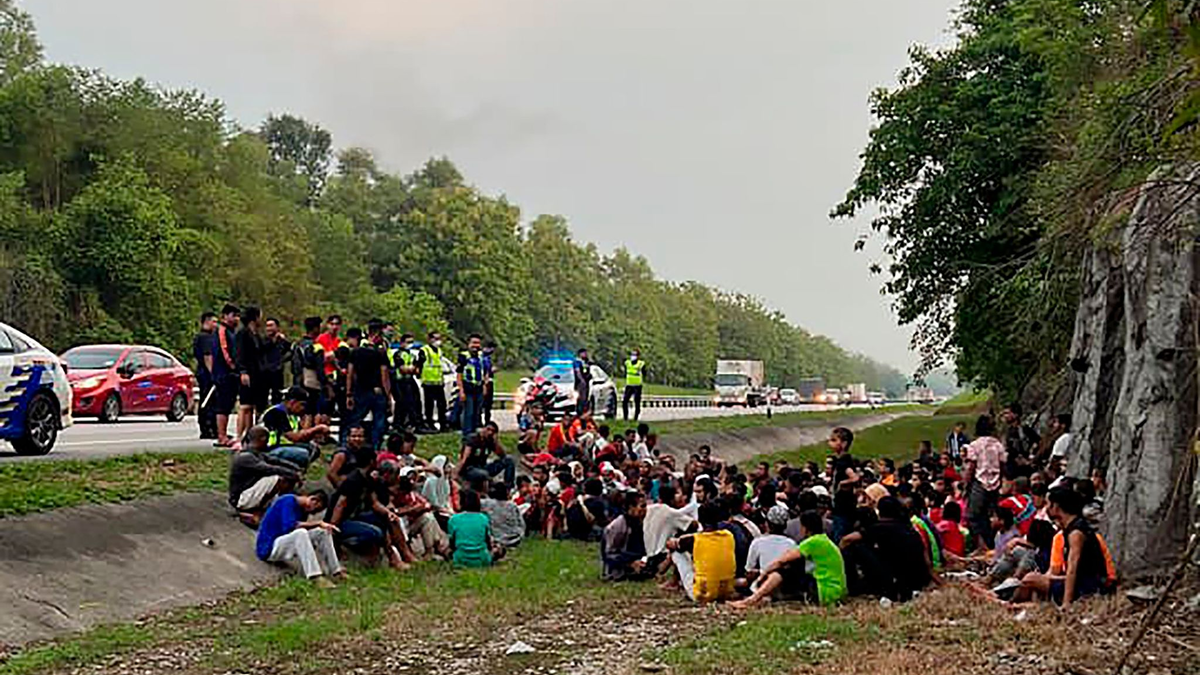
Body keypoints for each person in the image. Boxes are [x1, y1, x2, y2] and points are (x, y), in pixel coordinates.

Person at [1014, 488, 1110, 607]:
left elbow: (1072, 569)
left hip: (1089, 586)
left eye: (1048, 504)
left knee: (1031, 578)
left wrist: (1066, 603)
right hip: (1081, 580)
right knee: (1033, 579)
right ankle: (1013, 604)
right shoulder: (1068, 529)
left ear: (1056, 506)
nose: (1046, 507)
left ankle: (1011, 604)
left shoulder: (1076, 533)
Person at [732, 510, 847, 608]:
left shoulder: (812, 542)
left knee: (783, 570)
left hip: (824, 592)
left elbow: (781, 561)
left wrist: (763, 575)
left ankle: (752, 599)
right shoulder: (822, 540)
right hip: (836, 592)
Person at [839, 496, 931, 602]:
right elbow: (926, 560)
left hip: (895, 581)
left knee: (855, 547)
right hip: (917, 580)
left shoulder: (879, 528)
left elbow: (847, 540)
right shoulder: (909, 528)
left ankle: (852, 586)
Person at [256, 490, 343, 586]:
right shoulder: (288, 501)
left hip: (283, 542)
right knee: (301, 533)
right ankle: (315, 576)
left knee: (323, 532)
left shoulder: (302, 510)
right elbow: (290, 527)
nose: (313, 514)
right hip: (269, 547)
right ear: (313, 500)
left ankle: (336, 571)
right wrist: (318, 523)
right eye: (315, 510)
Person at [228, 425, 302, 525]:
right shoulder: (245, 457)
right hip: (241, 499)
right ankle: (256, 511)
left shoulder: (256, 453)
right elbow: (270, 468)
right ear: (263, 439)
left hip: (250, 492)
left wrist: (296, 469)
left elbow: (276, 461)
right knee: (280, 479)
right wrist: (294, 475)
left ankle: (266, 509)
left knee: (285, 476)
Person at [667, 501, 737, 603]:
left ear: (699, 520)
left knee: (677, 553)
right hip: (725, 592)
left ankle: (674, 582)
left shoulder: (694, 539)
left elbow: (671, 544)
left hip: (702, 594)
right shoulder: (728, 535)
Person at [963, 414, 1007, 550]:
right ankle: (991, 542)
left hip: (979, 482)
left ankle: (982, 545)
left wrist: (965, 484)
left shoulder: (974, 445)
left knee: (973, 516)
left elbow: (971, 467)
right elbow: (1003, 463)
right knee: (989, 515)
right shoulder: (997, 444)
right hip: (995, 482)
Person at [346, 321, 392, 449]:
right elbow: (385, 376)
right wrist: (388, 396)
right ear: (377, 335)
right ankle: (375, 446)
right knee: (379, 421)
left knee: (355, 420)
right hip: (376, 392)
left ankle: (349, 444)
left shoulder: (355, 352)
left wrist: (349, 393)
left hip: (360, 390)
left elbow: (350, 374)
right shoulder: (380, 353)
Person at [260, 387, 329, 468]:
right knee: (303, 454)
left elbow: (303, 434)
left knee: (313, 449)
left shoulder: (291, 415)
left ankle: (293, 471)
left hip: (282, 446)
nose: (303, 408)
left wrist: (306, 418)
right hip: (268, 449)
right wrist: (317, 429)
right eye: (302, 405)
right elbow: (295, 437)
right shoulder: (276, 413)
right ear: (292, 402)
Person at [601, 491, 652, 581]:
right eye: (642, 506)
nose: (645, 510)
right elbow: (609, 555)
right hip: (621, 563)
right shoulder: (618, 526)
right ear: (631, 507)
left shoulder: (642, 522)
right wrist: (630, 563)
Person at [743, 504, 800, 585]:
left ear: (767, 523)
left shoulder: (757, 542)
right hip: (784, 588)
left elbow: (749, 572)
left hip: (762, 587)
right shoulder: (792, 544)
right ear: (785, 526)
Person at [234, 306, 265, 442]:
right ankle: (239, 436)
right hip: (246, 372)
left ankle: (249, 434)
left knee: (252, 406)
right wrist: (242, 371)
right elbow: (239, 353)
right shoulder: (243, 333)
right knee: (245, 405)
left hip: (256, 373)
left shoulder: (256, 334)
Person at [447, 489, 501, 568]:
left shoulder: (453, 519)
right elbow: (488, 542)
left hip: (460, 559)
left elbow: (452, 544)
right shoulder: (483, 518)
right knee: (499, 549)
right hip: (482, 559)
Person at [212, 304, 241, 448]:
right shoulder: (222, 331)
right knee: (223, 405)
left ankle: (223, 434)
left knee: (228, 405)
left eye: (237, 316)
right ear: (224, 316)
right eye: (233, 315)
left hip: (230, 374)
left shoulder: (232, 332)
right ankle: (221, 436)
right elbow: (225, 352)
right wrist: (234, 367)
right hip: (224, 373)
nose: (236, 319)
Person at [291, 317, 329, 427]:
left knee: (302, 412)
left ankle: (301, 436)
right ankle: (311, 438)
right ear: (315, 329)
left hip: (299, 382)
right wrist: (326, 384)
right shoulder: (316, 347)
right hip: (313, 384)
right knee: (313, 412)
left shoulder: (296, 344)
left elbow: (293, 366)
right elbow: (320, 370)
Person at [457, 421, 516, 487]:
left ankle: (508, 486)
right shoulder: (473, 439)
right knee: (484, 474)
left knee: (509, 460)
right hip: (470, 469)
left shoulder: (490, 441)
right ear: (483, 428)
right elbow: (464, 458)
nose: (490, 433)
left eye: (492, 431)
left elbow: (502, 455)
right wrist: (457, 473)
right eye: (488, 429)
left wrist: (496, 442)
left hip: (483, 467)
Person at [388, 333, 424, 432]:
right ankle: (398, 425)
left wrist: (416, 366)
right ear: (402, 343)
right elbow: (403, 369)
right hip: (399, 381)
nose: (410, 344)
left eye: (412, 342)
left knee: (415, 401)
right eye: (408, 342)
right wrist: (413, 368)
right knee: (402, 403)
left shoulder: (411, 354)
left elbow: (416, 371)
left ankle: (415, 423)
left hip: (409, 379)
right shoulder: (398, 354)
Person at [193, 312, 218, 440]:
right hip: (207, 374)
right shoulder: (206, 337)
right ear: (206, 322)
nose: (216, 325)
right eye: (214, 322)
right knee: (209, 402)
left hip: (202, 372)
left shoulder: (199, 337)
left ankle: (207, 429)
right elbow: (208, 356)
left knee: (205, 400)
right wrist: (213, 374)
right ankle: (209, 428)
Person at [457, 334, 487, 439]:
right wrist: (461, 391)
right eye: (474, 343)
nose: (476, 345)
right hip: (468, 388)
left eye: (478, 343)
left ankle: (475, 433)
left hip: (478, 387)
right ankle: (467, 434)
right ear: (468, 344)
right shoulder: (464, 356)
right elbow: (459, 374)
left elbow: (485, 372)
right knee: (468, 412)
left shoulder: (481, 357)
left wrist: (484, 386)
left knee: (477, 412)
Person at [482, 481, 525, 549]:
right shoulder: (512, 506)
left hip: (496, 539)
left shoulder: (487, 504)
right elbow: (521, 523)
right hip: (514, 538)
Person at [420, 331, 448, 433]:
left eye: (439, 338)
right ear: (429, 339)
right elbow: (419, 365)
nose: (438, 341)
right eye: (435, 338)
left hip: (438, 382)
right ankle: (430, 424)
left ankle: (443, 425)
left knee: (442, 405)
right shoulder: (424, 350)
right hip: (428, 382)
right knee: (429, 406)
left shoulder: (439, 351)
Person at [261, 318, 291, 406]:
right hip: (264, 373)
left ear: (277, 327)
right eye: (267, 326)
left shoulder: (282, 341)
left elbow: (291, 350)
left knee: (277, 398)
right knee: (262, 399)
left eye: (271, 325)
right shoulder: (262, 340)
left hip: (277, 372)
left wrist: (282, 361)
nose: (268, 328)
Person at [623, 349, 646, 421]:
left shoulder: (641, 364)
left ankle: (635, 417)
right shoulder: (627, 363)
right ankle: (625, 417)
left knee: (637, 401)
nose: (633, 356)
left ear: (638, 356)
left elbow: (644, 373)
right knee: (625, 401)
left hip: (637, 385)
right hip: (629, 384)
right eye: (632, 355)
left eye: (635, 355)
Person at [573, 348, 593, 415]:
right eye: (584, 353)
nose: (585, 354)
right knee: (581, 399)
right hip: (580, 384)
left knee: (585, 399)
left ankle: (584, 411)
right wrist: (582, 381)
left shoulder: (586, 362)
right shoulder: (577, 362)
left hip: (587, 383)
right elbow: (578, 372)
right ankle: (580, 412)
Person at [482, 341, 497, 425]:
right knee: (486, 403)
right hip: (486, 382)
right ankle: (486, 420)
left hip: (488, 381)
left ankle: (487, 420)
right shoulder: (484, 358)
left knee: (487, 404)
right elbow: (486, 371)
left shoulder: (487, 357)